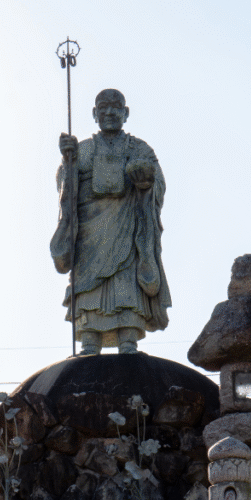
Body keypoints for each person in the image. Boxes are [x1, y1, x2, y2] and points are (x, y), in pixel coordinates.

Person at [50, 88, 170, 354]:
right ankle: (90, 338)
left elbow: (158, 184)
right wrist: (69, 162)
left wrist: (146, 183)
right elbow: (65, 186)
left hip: (127, 228)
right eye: (103, 107)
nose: (109, 112)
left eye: (116, 107)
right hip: (90, 235)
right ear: (94, 114)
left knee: (126, 279)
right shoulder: (83, 149)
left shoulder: (139, 149)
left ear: (125, 113)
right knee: (88, 286)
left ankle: (128, 336)